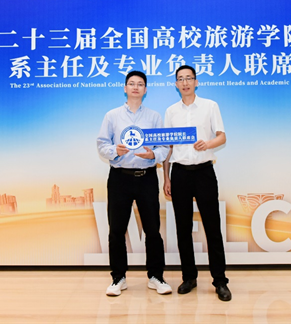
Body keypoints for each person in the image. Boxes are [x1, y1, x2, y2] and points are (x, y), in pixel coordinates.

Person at [96, 71, 172, 296]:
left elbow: (164, 147)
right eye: (131, 83)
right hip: (119, 178)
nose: (136, 87)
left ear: (145, 89)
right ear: (125, 88)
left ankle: (156, 276)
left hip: (146, 177)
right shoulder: (112, 116)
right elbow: (102, 144)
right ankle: (118, 278)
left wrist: (153, 155)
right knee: (116, 230)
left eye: (140, 84)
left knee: (153, 230)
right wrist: (114, 150)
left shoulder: (154, 117)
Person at [163, 65, 231, 302]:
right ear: (176, 84)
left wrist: (208, 144)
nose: (185, 83)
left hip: (204, 172)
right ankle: (189, 277)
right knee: (183, 229)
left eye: (189, 78)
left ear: (196, 81)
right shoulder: (171, 111)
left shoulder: (210, 106)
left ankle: (220, 280)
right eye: (180, 79)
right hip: (180, 173)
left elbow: (222, 136)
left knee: (212, 227)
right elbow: (168, 146)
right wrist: (166, 177)